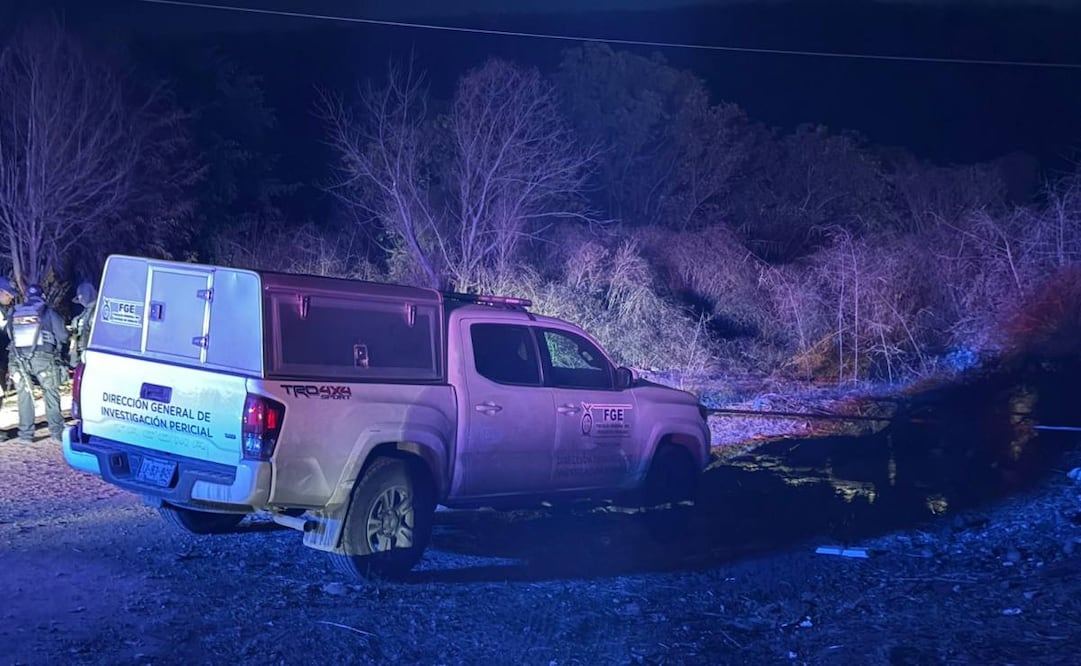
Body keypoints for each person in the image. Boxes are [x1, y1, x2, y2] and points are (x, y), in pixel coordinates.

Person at [8, 283, 68, 445]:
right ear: (42, 296)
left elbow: (9, 334)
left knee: (24, 397)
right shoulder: (48, 312)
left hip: (18, 360)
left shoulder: (14, 311)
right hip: (44, 359)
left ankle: (26, 435)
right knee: (51, 394)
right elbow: (63, 336)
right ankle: (56, 433)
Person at [69, 280, 98, 367]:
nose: (81, 300)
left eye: (81, 297)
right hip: (82, 356)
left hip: (90, 355)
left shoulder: (95, 311)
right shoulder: (85, 312)